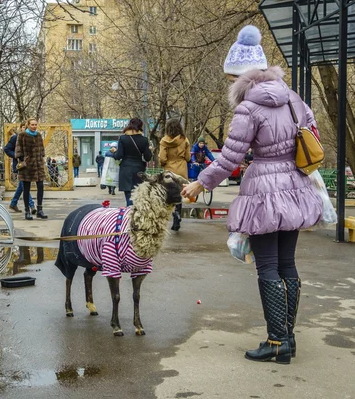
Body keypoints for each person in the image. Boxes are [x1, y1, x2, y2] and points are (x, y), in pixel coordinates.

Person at [182, 25, 322, 364]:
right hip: (296, 188)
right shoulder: (293, 98)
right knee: (287, 263)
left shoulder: (247, 108)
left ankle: (276, 342)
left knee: (268, 266)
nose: (232, 86)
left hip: (263, 192)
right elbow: (312, 135)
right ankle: (287, 339)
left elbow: (230, 157)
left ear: (243, 77)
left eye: (232, 80)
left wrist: (201, 182)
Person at [159, 119, 191, 231]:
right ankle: (178, 213)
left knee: (169, 194)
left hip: (169, 170)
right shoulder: (185, 140)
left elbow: (162, 158)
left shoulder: (164, 141)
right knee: (180, 193)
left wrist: (163, 163)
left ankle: (174, 214)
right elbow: (188, 157)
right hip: (182, 168)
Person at [113, 118, 152, 206]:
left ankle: (130, 215)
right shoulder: (144, 140)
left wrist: (114, 152)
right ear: (140, 127)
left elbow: (119, 156)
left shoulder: (123, 138)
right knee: (138, 195)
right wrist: (150, 150)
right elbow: (147, 157)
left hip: (126, 170)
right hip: (139, 170)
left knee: (129, 196)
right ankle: (137, 216)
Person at [15, 118, 48, 220]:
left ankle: (40, 210)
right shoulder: (22, 135)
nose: (34, 126)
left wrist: (42, 157)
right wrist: (22, 159)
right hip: (27, 166)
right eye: (32, 124)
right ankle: (27, 211)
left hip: (38, 165)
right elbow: (18, 149)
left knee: (41, 186)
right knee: (26, 188)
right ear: (28, 125)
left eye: (35, 124)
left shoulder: (38, 135)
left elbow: (42, 149)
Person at [3, 131, 35, 214]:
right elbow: (6, 149)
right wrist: (16, 155)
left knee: (21, 186)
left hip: (28, 165)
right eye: (23, 127)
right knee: (24, 185)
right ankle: (32, 205)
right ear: (21, 128)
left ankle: (13, 203)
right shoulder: (15, 138)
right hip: (20, 166)